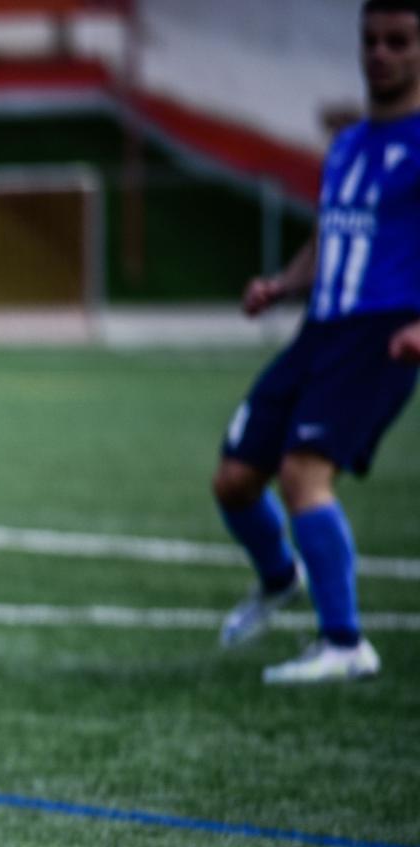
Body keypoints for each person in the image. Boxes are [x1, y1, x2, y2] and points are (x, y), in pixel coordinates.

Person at [212, 0, 420, 684]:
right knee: (236, 478)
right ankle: (278, 578)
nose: (381, 55)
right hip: (320, 329)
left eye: (399, 41)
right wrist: (283, 283)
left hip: (382, 334)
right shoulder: (350, 145)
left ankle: (344, 642)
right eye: (372, 41)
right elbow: (332, 233)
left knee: (305, 473)